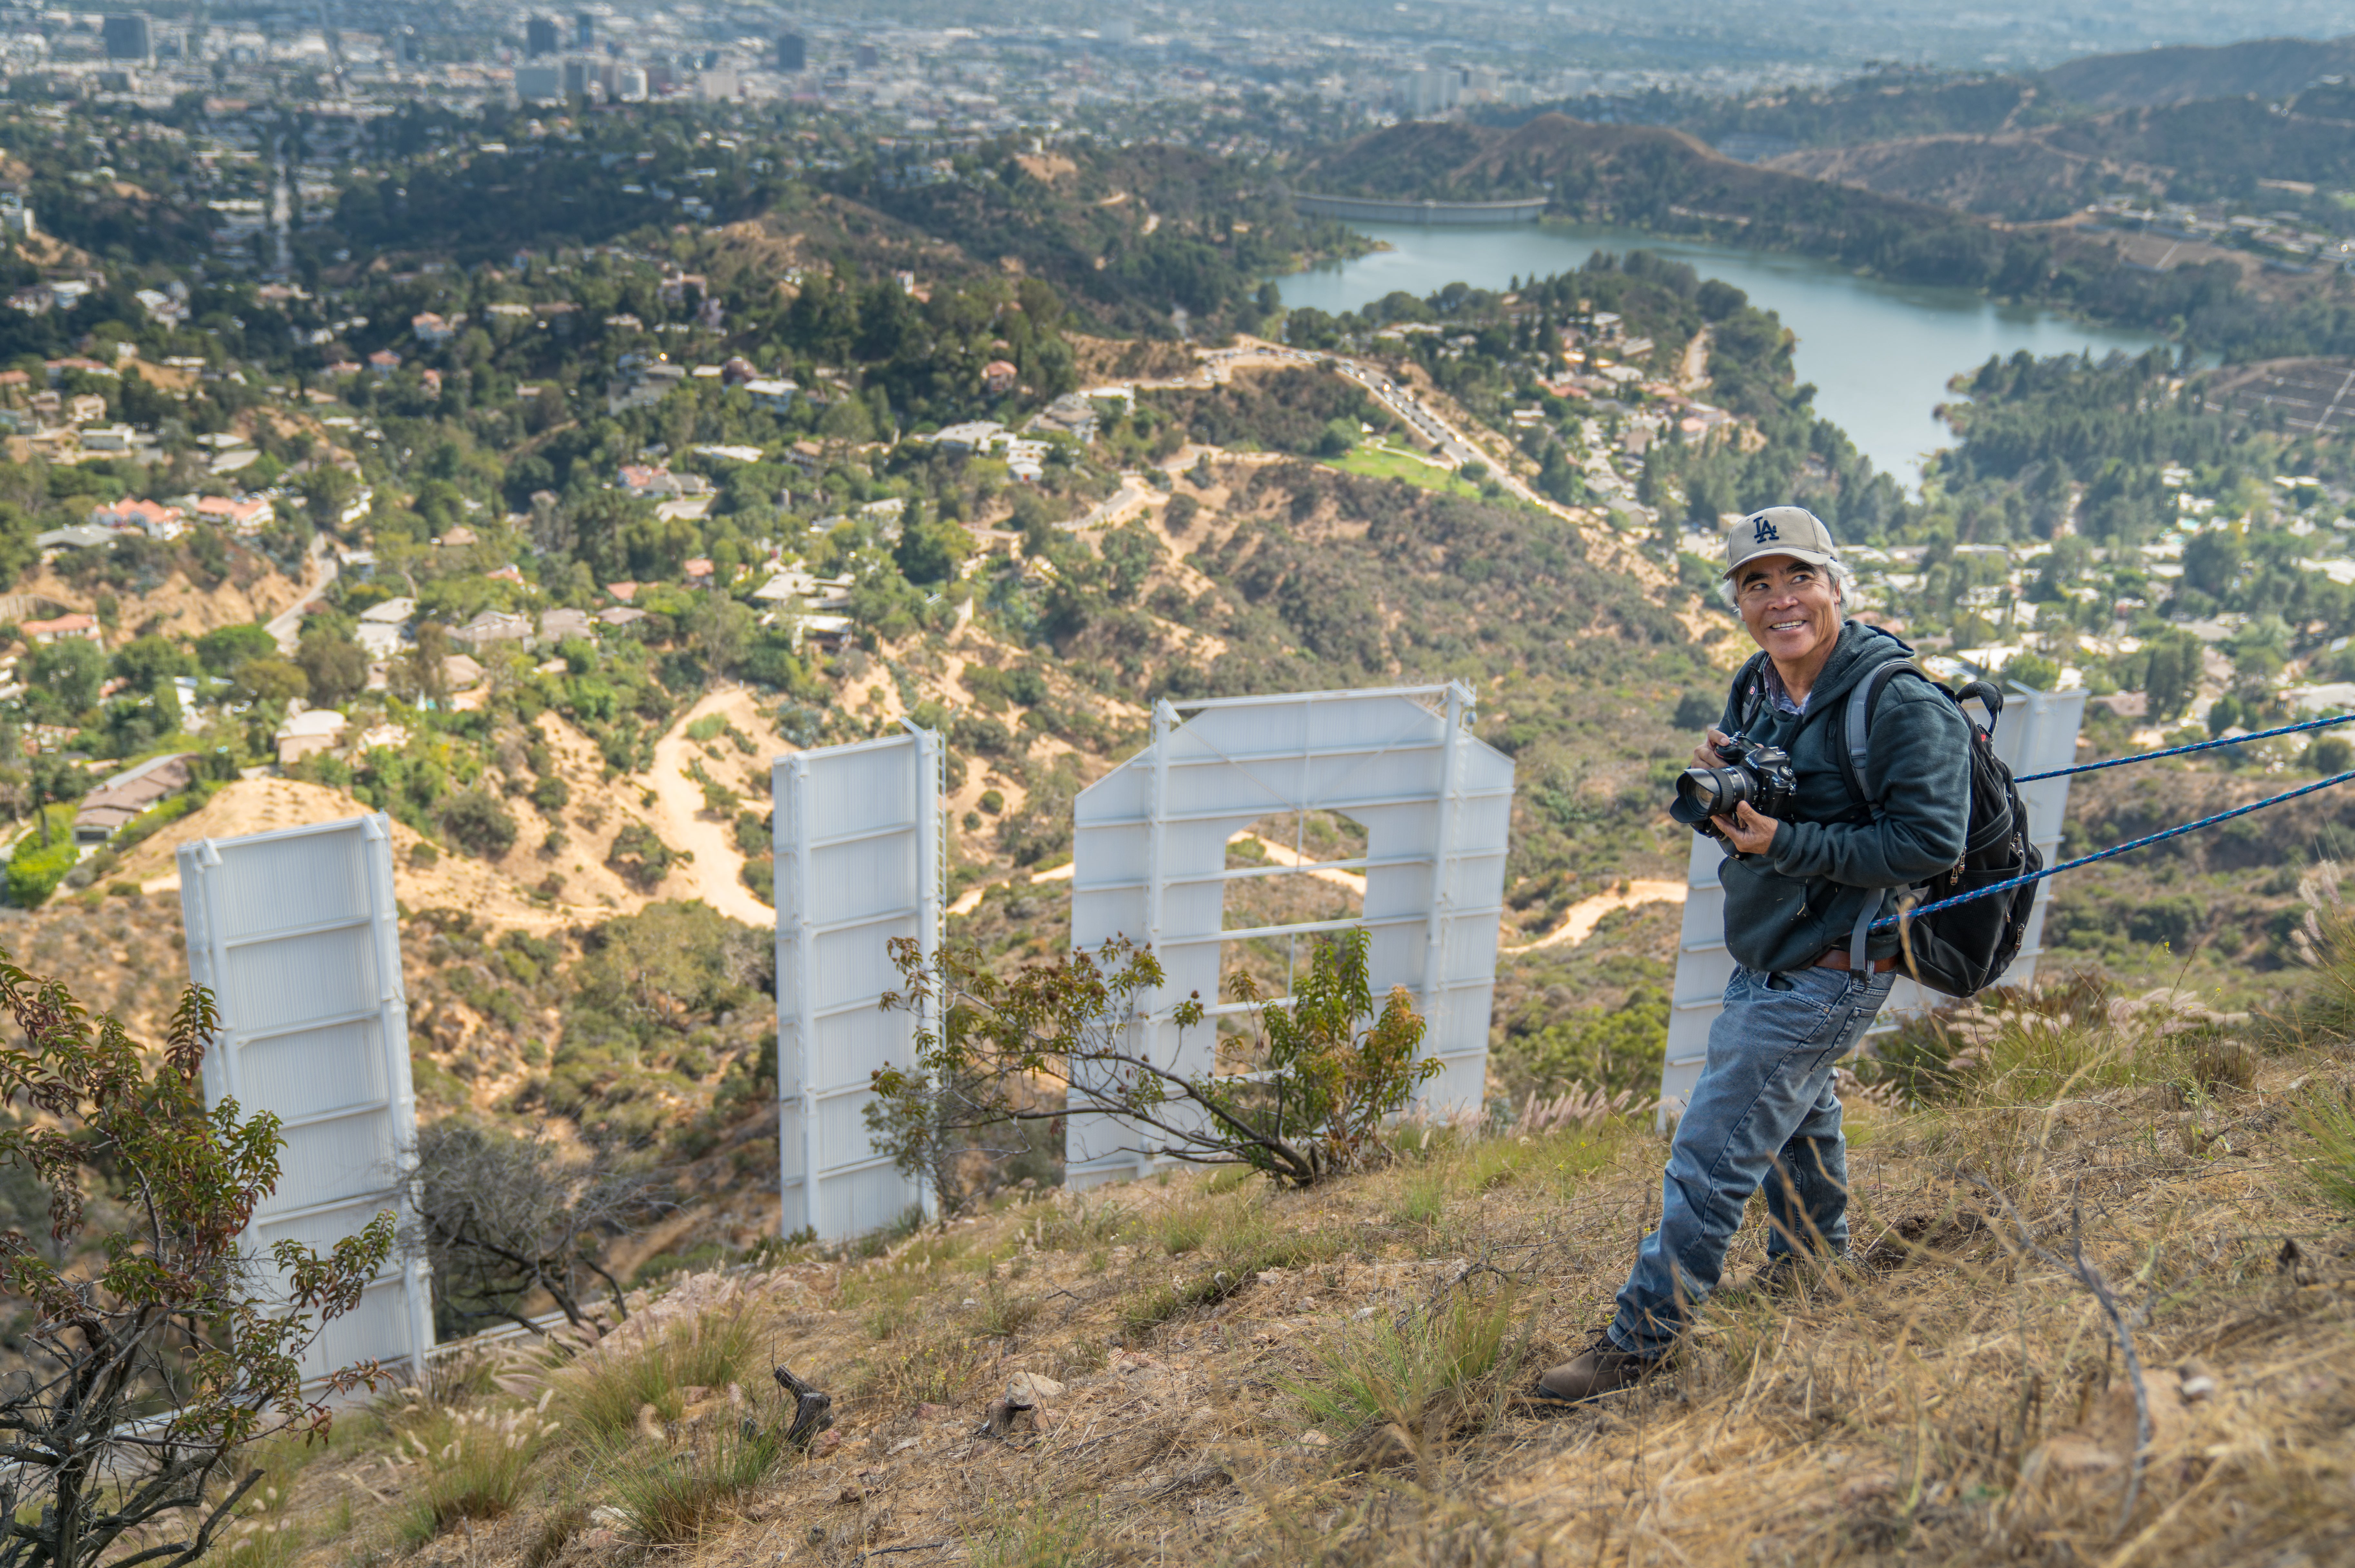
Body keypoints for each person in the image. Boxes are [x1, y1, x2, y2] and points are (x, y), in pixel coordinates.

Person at [1535, 505, 1974, 1404]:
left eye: (1796, 577)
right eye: (1756, 584)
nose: (1780, 600)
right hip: (1772, 954)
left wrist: (1785, 843)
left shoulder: (1896, 702)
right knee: (1795, 1120)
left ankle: (1641, 1340)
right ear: (1738, 601)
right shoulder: (1759, 684)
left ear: (1835, 585)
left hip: (1830, 967)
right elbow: (1769, 812)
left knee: (1709, 1155)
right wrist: (1731, 782)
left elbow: (1930, 843)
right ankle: (1814, 1269)